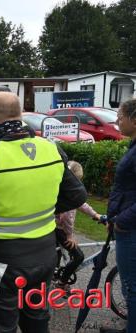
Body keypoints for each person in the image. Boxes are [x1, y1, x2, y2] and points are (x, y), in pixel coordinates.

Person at [0, 92, 87, 333]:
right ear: (20, 116)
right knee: (37, 320)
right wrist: (40, 206)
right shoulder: (50, 148)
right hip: (45, 256)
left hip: (3, 262)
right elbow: (77, 195)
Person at [103, 98, 136, 333]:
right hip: (126, 226)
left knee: (131, 287)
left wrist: (121, 222)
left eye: (121, 117)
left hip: (130, 230)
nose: (117, 120)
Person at [54, 161, 103, 291]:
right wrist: (69, 235)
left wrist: (95, 214)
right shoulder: (69, 193)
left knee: (57, 255)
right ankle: (61, 283)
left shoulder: (64, 189)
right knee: (78, 256)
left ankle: (56, 275)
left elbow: (82, 204)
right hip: (59, 229)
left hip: (54, 227)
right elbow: (65, 216)